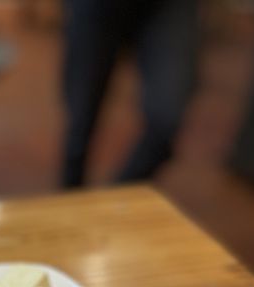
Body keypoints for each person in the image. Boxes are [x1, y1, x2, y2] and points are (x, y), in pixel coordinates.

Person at [61, 0, 198, 187]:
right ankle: (70, 199)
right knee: (80, 122)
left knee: (166, 118)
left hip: (168, 7)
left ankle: (116, 202)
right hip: (95, 7)